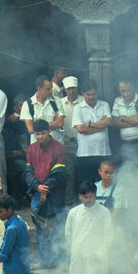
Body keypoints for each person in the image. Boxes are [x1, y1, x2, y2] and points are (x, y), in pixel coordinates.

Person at [24, 119, 67, 269]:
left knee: (58, 227)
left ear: (49, 132)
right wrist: (37, 187)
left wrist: (45, 188)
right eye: (37, 134)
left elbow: (59, 173)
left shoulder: (59, 148)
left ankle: (61, 260)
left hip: (55, 194)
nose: (40, 137)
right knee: (39, 227)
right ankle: (44, 261)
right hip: (37, 193)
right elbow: (28, 172)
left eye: (43, 133)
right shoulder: (31, 149)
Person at [72, 80, 112, 187]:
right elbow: (80, 129)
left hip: (103, 152)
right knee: (86, 185)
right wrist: (101, 125)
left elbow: (107, 122)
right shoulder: (78, 108)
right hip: (85, 154)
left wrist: (89, 125)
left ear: (97, 92)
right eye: (88, 94)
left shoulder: (104, 105)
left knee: (104, 184)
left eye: (93, 94)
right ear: (83, 93)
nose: (91, 97)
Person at [111, 80, 138, 165]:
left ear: (133, 88)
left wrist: (123, 118)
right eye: (123, 91)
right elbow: (115, 122)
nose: (126, 94)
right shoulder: (117, 101)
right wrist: (133, 121)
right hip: (125, 145)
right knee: (127, 169)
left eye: (128, 90)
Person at [20, 75, 64, 144]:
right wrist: (53, 123)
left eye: (51, 88)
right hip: (37, 147)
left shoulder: (57, 101)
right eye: (48, 89)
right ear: (39, 89)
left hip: (56, 144)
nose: (51, 91)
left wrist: (38, 126)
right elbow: (31, 129)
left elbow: (60, 123)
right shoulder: (27, 104)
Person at [60, 76, 83, 205]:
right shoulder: (60, 103)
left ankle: (83, 200)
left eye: (74, 88)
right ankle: (69, 203)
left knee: (82, 174)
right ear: (64, 89)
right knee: (69, 175)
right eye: (69, 89)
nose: (72, 91)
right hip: (67, 143)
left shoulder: (83, 101)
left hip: (83, 142)